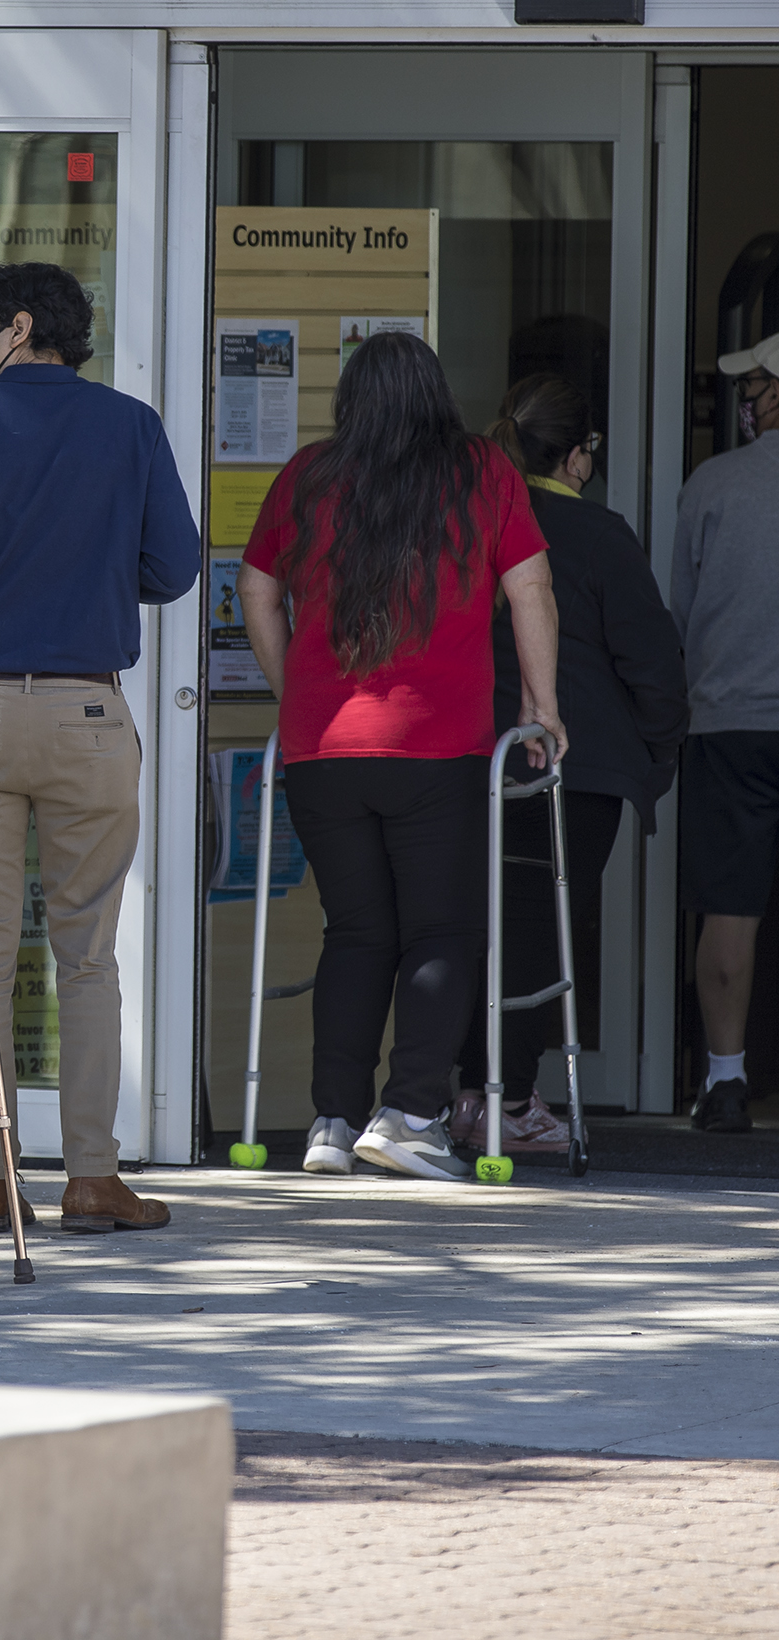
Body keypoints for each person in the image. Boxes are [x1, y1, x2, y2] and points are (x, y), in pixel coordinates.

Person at [0, 263, 200, 1235]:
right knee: (89, 958)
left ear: (18, 326)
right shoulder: (130, 426)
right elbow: (174, 566)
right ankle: (92, 1178)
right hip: (88, 714)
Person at [238, 331, 562, 1182]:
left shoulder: (309, 475)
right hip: (437, 748)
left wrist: (296, 691)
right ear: (435, 394)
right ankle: (412, 1114)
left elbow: (257, 588)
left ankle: (333, 1122)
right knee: (441, 930)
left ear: (351, 399)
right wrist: (541, 707)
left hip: (323, 752)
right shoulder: (482, 471)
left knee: (355, 931)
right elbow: (531, 586)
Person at [450, 374, 686, 1153]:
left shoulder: (466, 520)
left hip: (469, 756)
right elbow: (652, 662)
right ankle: (511, 1102)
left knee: (472, 927)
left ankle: (466, 1094)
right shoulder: (598, 533)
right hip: (572, 764)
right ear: (579, 456)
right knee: (538, 933)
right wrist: (655, 754)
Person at [671, 334, 779, 1133]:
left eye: (758, 383)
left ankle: (726, 1080)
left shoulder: (712, 484)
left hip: (730, 722)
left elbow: (678, 615)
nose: (747, 397)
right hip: (734, 717)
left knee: (731, 909)